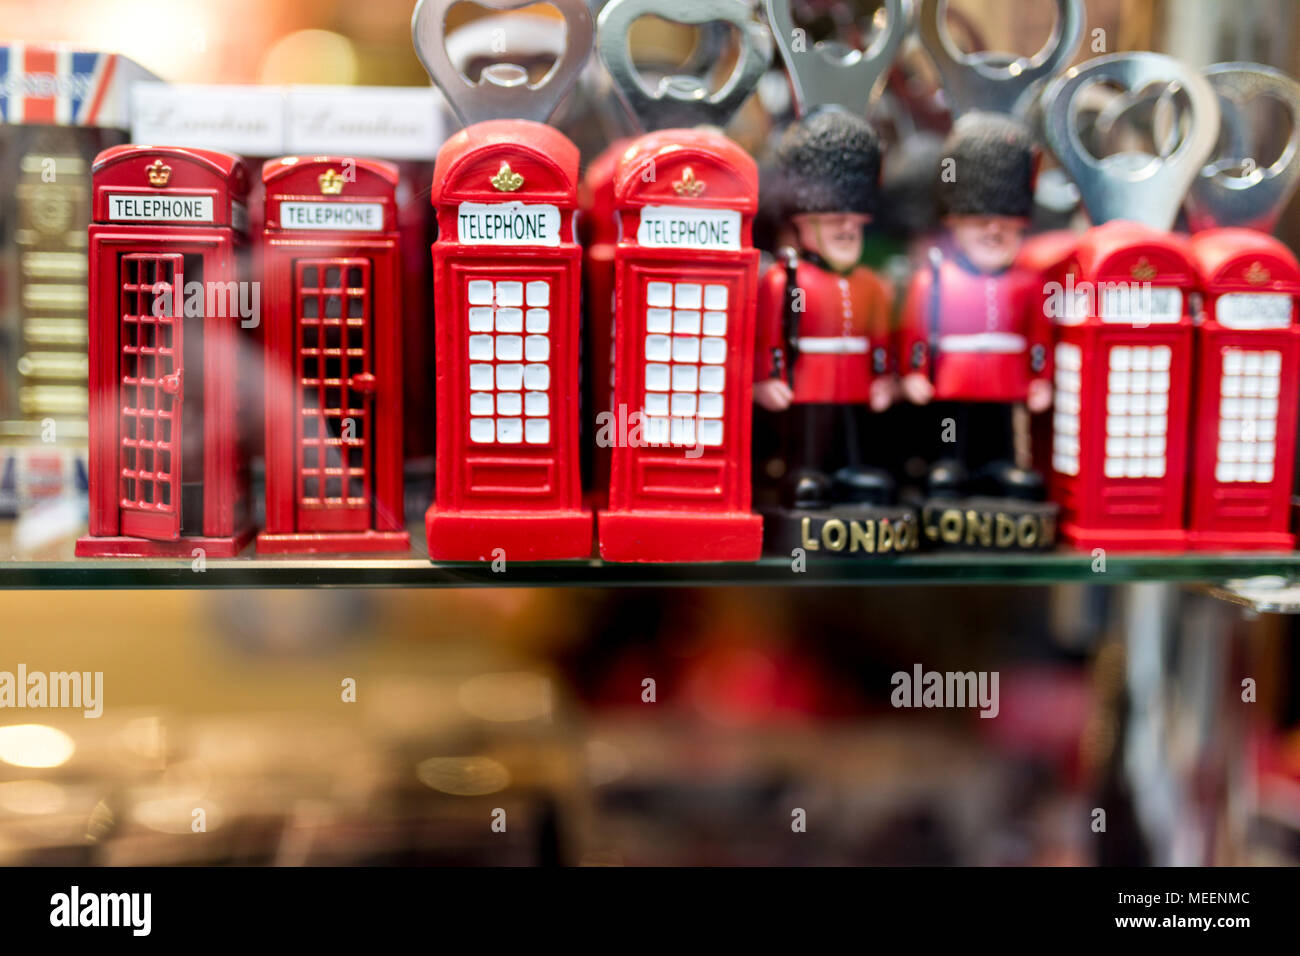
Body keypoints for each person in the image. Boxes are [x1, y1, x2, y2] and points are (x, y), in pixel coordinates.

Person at [897, 112, 1053, 500]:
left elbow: (1038, 339)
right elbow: (917, 333)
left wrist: (1039, 379)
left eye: (1005, 223)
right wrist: (914, 370)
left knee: (998, 424)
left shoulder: (1028, 283)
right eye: (981, 221)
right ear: (957, 224)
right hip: (955, 375)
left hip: (1005, 375)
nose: (994, 231)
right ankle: (949, 462)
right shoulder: (933, 279)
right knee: (954, 421)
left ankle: (998, 466)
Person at [753, 109, 896, 510]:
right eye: (835, 220)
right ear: (803, 222)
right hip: (808, 375)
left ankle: (850, 470)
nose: (848, 229)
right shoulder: (786, 279)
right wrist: (767, 377)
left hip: (853, 376)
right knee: (810, 428)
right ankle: (805, 470)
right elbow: (770, 335)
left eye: (854, 220)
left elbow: (879, 334)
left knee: (850, 427)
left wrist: (883, 375)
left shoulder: (869, 283)